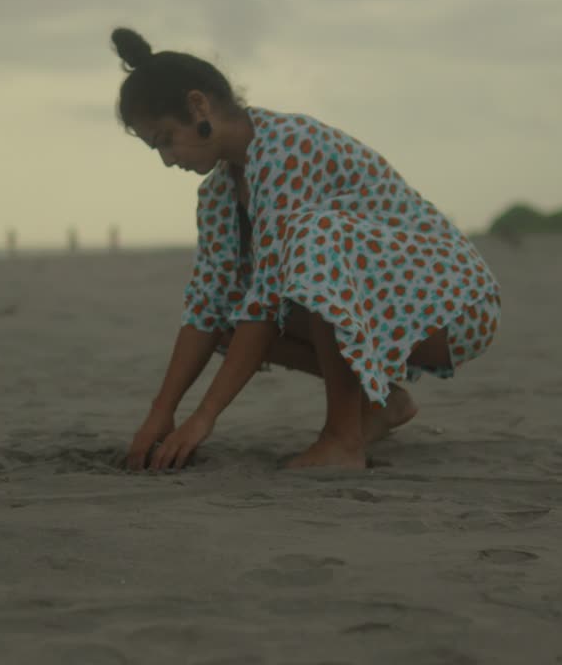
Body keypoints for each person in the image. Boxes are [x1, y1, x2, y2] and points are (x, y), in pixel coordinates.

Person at [112, 28, 502, 472]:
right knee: (224, 313)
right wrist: (161, 413)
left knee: (310, 239)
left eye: (165, 139)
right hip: (387, 309)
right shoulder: (218, 194)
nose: (166, 158)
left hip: (454, 308)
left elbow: (269, 301)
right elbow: (205, 307)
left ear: (199, 106)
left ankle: (342, 440)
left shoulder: (288, 147)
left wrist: (203, 419)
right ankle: (382, 404)